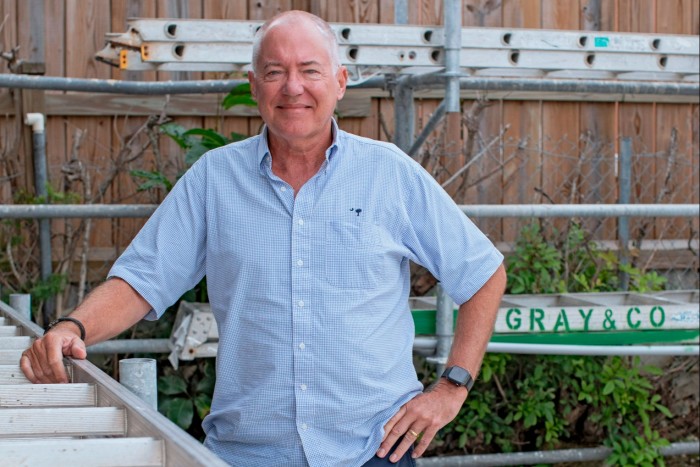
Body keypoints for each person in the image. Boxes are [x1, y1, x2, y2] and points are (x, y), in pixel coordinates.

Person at [20, 10, 506, 467]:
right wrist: (73, 328)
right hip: (246, 455)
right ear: (254, 87)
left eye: (310, 70)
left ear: (340, 82)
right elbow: (144, 279)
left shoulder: (389, 174)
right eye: (274, 72)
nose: (293, 87)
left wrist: (452, 387)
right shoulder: (215, 179)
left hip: (373, 451)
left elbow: (482, 273)